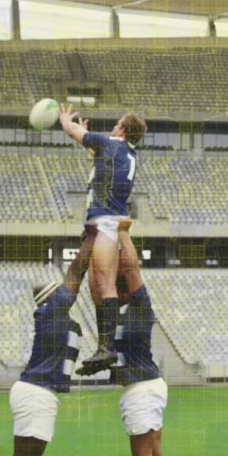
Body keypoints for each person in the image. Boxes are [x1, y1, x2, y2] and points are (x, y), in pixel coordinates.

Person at [1, 225, 97, 456]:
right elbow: (76, 273)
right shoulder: (53, 309)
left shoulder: (53, 317)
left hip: (37, 391)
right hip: (37, 392)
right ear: (53, 298)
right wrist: (91, 240)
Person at [57, 102, 147, 375]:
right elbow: (100, 155)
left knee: (103, 282)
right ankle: (104, 348)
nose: (112, 127)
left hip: (105, 220)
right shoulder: (124, 151)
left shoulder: (112, 144)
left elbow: (72, 131)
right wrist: (89, 145)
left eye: (116, 123)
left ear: (120, 129)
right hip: (103, 219)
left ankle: (107, 347)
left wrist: (65, 120)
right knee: (97, 285)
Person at [104, 219, 174, 456]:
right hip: (151, 384)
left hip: (140, 388)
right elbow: (123, 272)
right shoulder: (128, 311)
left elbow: (130, 268)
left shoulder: (132, 309)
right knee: (156, 453)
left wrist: (122, 233)